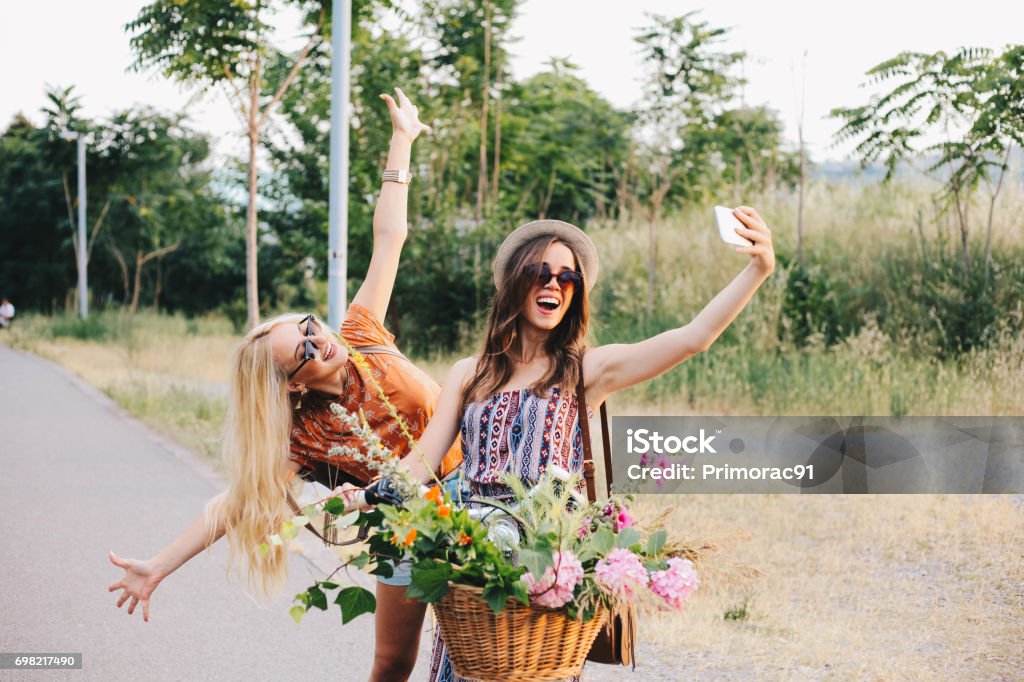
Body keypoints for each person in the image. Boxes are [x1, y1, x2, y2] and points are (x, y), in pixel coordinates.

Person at [107, 88, 461, 682]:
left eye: (308, 326)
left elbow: (388, 239)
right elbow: (238, 504)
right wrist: (158, 567)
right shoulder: (305, 436)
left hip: (481, 497)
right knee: (392, 663)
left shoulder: (362, 333)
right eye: (302, 351)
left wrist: (401, 141)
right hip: (409, 527)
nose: (318, 338)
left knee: (489, 648)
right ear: (293, 388)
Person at [348, 212, 775, 681]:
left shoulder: (586, 370)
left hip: (545, 572)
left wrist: (757, 271)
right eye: (540, 273)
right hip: (475, 568)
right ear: (515, 283)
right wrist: (365, 494)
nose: (554, 284)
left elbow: (693, 337)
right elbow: (423, 462)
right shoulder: (468, 374)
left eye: (567, 276)